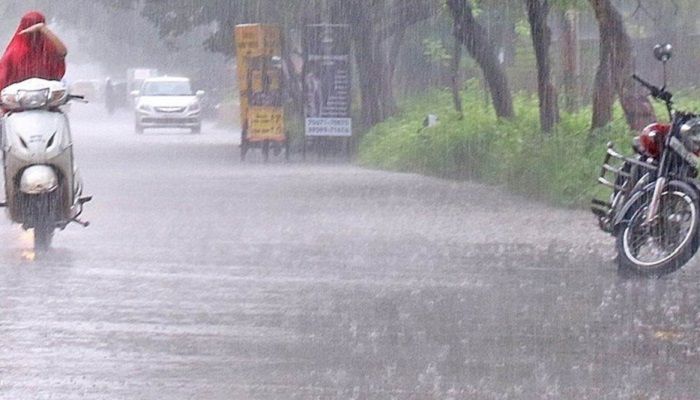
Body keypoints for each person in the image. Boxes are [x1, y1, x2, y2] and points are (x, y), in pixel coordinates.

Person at [0, 11, 67, 91]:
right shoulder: (15, 51)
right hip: (20, 97)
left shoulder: (47, 47)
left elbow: (63, 52)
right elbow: (3, 76)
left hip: (47, 94)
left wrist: (43, 29)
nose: (34, 33)